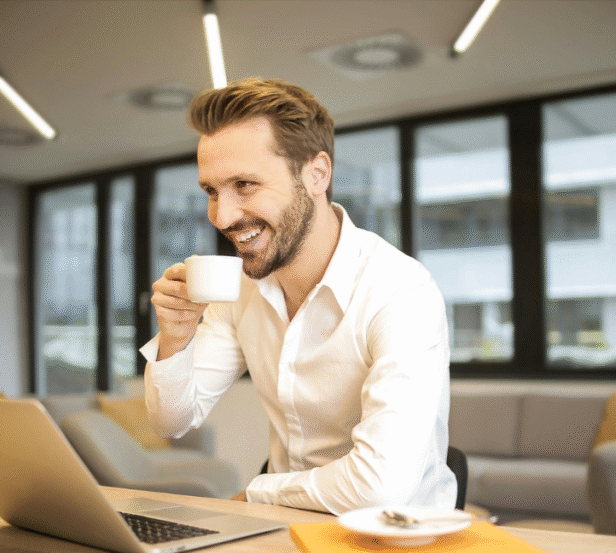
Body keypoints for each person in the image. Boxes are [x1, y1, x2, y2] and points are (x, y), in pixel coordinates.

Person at [140, 77, 455, 515]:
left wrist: (259, 491)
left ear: (316, 174)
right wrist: (176, 337)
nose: (223, 216)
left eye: (245, 185)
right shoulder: (242, 291)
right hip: (284, 533)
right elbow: (171, 421)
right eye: (211, 191)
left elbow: (380, 488)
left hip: (395, 543)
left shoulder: (400, 291)